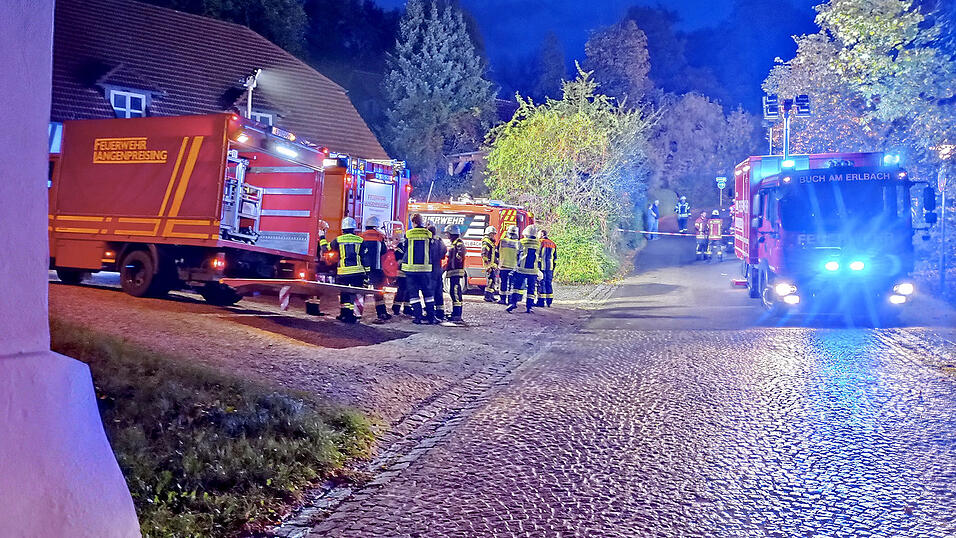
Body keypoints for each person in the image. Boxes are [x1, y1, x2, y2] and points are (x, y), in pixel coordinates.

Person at [329, 217, 366, 323]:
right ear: (354, 229)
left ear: (343, 229)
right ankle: (354, 315)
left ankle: (344, 315)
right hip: (358, 272)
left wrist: (322, 236)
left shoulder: (338, 239)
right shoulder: (360, 240)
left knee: (344, 294)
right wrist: (367, 272)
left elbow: (327, 248)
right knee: (356, 293)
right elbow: (364, 256)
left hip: (343, 272)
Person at [402, 213, 436, 324]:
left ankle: (418, 317)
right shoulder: (428, 233)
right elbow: (432, 248)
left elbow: (404, 248)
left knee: (414, 295)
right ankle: (431, 317)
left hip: (411, 270)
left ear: (414, 222)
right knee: (428, 294)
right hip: (425, 269)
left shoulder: (408, 234)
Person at [360, 216, 392, 322]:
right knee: (378, 292)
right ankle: (382, 313)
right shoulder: (380, 236)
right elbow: (384, 251)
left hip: (364, 269)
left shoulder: (362, 236)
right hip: (377, 269)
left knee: (361, 290)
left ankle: (357, 312)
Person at [508, 225, 541, 313]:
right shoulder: (538, 243)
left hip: (521, 269)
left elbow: (517, 254)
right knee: (531, 289)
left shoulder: (521, 242)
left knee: (516, 287)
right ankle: (529, 307)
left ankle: (513, 303)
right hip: (533, 270)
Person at [445, 224, 466, 323]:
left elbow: (460, 254)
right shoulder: (454, 243)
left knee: (456, 292)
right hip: (453, 271)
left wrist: (456, 262)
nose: (447, 236)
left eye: (448, 233)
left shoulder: (458, 243)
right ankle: (455, 313)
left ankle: (457, 315)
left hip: (456, 271)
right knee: (453, 292)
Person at [428, 223, 448, 321]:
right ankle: (440, 312)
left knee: (430, 292)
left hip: (430, 269)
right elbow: (444, 252)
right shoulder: (440, 241)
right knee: (439, 292)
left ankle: (430, 312)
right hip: (438, 269)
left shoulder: (428, 242)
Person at [496, 225, 520, 304]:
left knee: (503, 283)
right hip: (513, 266)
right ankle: (510, 300)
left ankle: (502, 299)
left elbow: (496, 253)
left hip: (503, 266)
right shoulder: (518, 243)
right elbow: (520, 255)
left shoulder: (502, 241)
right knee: (511, 285)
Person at [536, 229, 557, 307]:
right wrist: (553, 268)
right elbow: (555, 259)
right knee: (549, 283)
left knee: (541, 283)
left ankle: (541, 301)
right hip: (550, 267)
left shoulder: (540, 242)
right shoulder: (553, 244)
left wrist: (536, 266)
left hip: (541, 266)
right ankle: (549, 301)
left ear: (541, 234)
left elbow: (538, 255)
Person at [481, 226, 498, 302]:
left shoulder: (491, 242)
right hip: (489, 265)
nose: (493, 235)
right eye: (492, 234)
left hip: (492, 264)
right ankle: (487, 296)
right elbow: (484, 254)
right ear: (488, 234)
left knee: (493, 280)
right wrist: (488, 265)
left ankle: (491, 295)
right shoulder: (486, 242)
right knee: (490, 281)